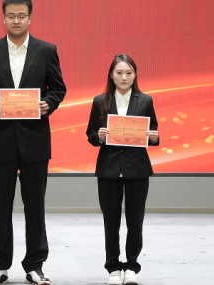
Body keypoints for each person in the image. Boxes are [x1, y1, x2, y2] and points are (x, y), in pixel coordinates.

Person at [0, 0, 66, 285]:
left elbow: (58, 88)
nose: (16, 20)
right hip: (0, 140)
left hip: (35, 140)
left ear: (30, 18)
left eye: (21, 16)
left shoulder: (46, 50)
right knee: (0, 205)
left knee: (35, 206)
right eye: (11, 15)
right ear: (3, 18)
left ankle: (35, 265)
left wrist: (48, 103)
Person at [85, 54, 159, 285]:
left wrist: (154, 137)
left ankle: (132, 267)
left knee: (135, 221)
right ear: (111, 75)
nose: (124, 77)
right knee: (111, 222)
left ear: (135, 75)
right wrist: (99, 136)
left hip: (137, 169)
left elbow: (154, 132)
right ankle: (113, 268)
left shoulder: (145, 100)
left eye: (128, 72)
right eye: (119, 72)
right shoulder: (100, 101)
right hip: (108, 168)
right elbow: (91, 135)